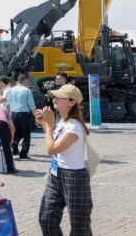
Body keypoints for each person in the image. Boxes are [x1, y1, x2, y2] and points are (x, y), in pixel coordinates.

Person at [35, 84, 93, 236]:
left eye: (60, 97)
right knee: (47, 219)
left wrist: (49, 125)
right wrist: (44, 124)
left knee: (80, 227)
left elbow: (51, 149)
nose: (55, 99)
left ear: (72, 102)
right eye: (55, 96)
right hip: (56, 174)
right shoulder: (62, 122)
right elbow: (52, 141)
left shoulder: (74, 126)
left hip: (74, 177)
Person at [7, 74, 37, 159]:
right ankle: (23, 153)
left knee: (15, 132)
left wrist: (7, 116)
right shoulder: (27, 90)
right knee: (26, 134)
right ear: (24, 80)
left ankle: (14, 148)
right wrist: (36, 117)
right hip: (24, 114)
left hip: (13, 113)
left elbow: (8, 104)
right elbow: (31, 105)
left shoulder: (11, 90)